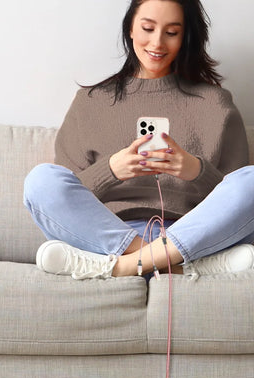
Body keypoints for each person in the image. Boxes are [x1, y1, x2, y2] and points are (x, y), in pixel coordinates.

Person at [23, 0, 254, 280]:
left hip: (192, 236)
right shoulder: (91, 102)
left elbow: (234, 199)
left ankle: (123, 267)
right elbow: (63, 194)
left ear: (186, 37)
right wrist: (110, 172)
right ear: (130, 28)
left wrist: (196, 171)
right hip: (109, 237)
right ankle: (174, 265)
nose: (157, 43)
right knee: (41, 180)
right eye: (147, 28)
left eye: (171, 32)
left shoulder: (215, 103)